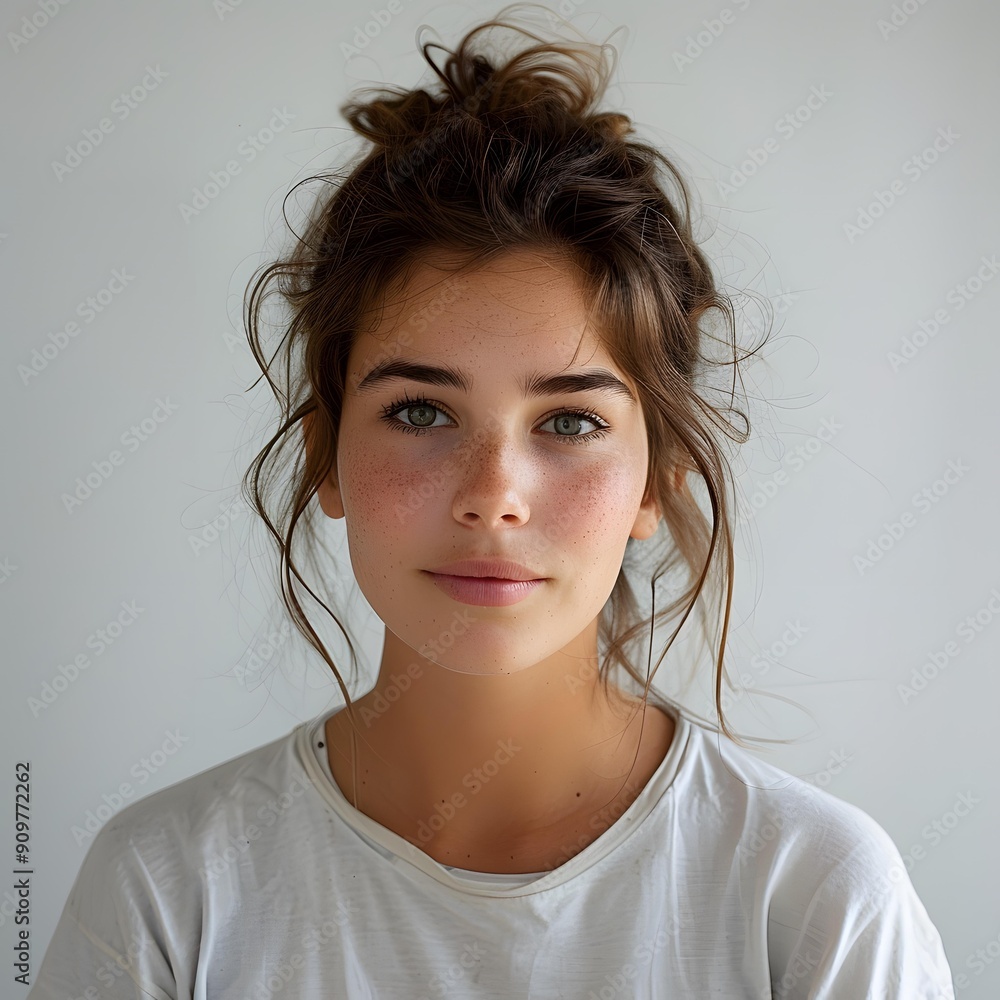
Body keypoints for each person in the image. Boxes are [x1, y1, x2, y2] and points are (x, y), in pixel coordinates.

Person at [29, 6, 956, 998]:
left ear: (657, 478)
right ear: (324, 457)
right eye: (421, 409)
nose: (491, 497)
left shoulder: (812, 895)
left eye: (567, 423)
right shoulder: (168, 892)